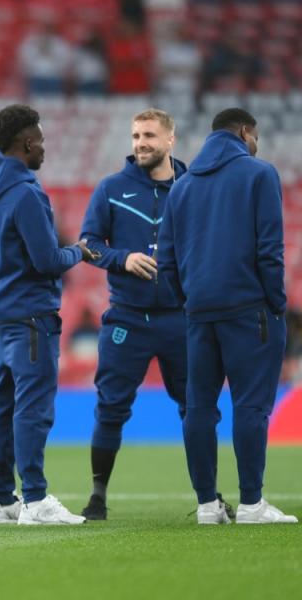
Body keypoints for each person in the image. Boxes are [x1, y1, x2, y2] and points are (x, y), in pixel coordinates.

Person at [158, 108, 297, 524]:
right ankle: (252, 504)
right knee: (250, 406)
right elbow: (270, 248)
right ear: (244, 132)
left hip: (199, 313)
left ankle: (207, 505)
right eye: (254, 138)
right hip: (250, 309)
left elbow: (165, 259)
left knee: (199, 407)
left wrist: (190, 300)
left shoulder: (181, 187)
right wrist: (275, 302)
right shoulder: (259, 174)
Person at [0, 104, 96, 525]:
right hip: (29, 316)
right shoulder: (25, 191)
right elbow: (45, 259)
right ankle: (36, 499)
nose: (42, 148)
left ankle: (4, 500)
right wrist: (78, 251)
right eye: (39, 140)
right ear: (26, 142)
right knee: (33, 409)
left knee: (2, 410)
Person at [78, 109, 198, 520]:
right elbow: (88, 243)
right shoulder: (111, 188)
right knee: (110, 406)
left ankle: (209, 497)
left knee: (194, 406)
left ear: (170, 140)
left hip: (181, 317)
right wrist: (122, 258)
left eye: (149, 135)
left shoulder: (193, 188)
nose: (140, 142)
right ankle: (97, 496)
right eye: (135, 135)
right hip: (127, 318)